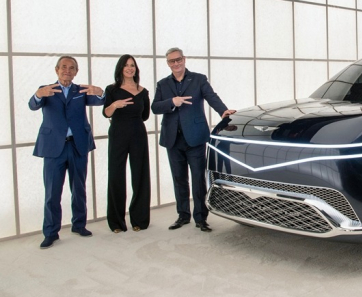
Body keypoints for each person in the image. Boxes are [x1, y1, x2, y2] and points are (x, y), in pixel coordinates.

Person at [152, 48, 236, 232]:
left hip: (195, 138)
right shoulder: (163, 84)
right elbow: (155, 107)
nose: (176, 64)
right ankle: (183, 216)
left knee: (198, 179)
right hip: (173, 139)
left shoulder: (198, 79)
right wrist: (171, 103)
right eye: (172, 61)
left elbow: (211, 97)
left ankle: (201, 218)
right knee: (179, 179)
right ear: (168, 64)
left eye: (178, 60)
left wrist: (223, 111)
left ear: (184, 59)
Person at [29, 56, 104, 249]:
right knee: (52, 192)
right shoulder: (47, 89)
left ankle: (79, 225)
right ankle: (51, 232)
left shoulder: (81, 90)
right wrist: (38, 94)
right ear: (56, 69)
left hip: (78, 144)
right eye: (64, 67)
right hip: (54, 147)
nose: (67, 71)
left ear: (76, 72)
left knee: (79, 188)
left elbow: (98, 101)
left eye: (72, 68)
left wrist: (101, 93)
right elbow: (33, 105)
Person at [103, 55, 151, 233]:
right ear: (120, 68)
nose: (130, 68)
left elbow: (145, 115)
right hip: (118, 134)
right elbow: (106, 113)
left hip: (138, 134)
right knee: (116, 175)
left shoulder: (143, 91)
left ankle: (139, 219)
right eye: (126, 65)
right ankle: (116, 222)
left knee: (140, 175)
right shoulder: (111, 90)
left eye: (132, 65)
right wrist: (115, 105)